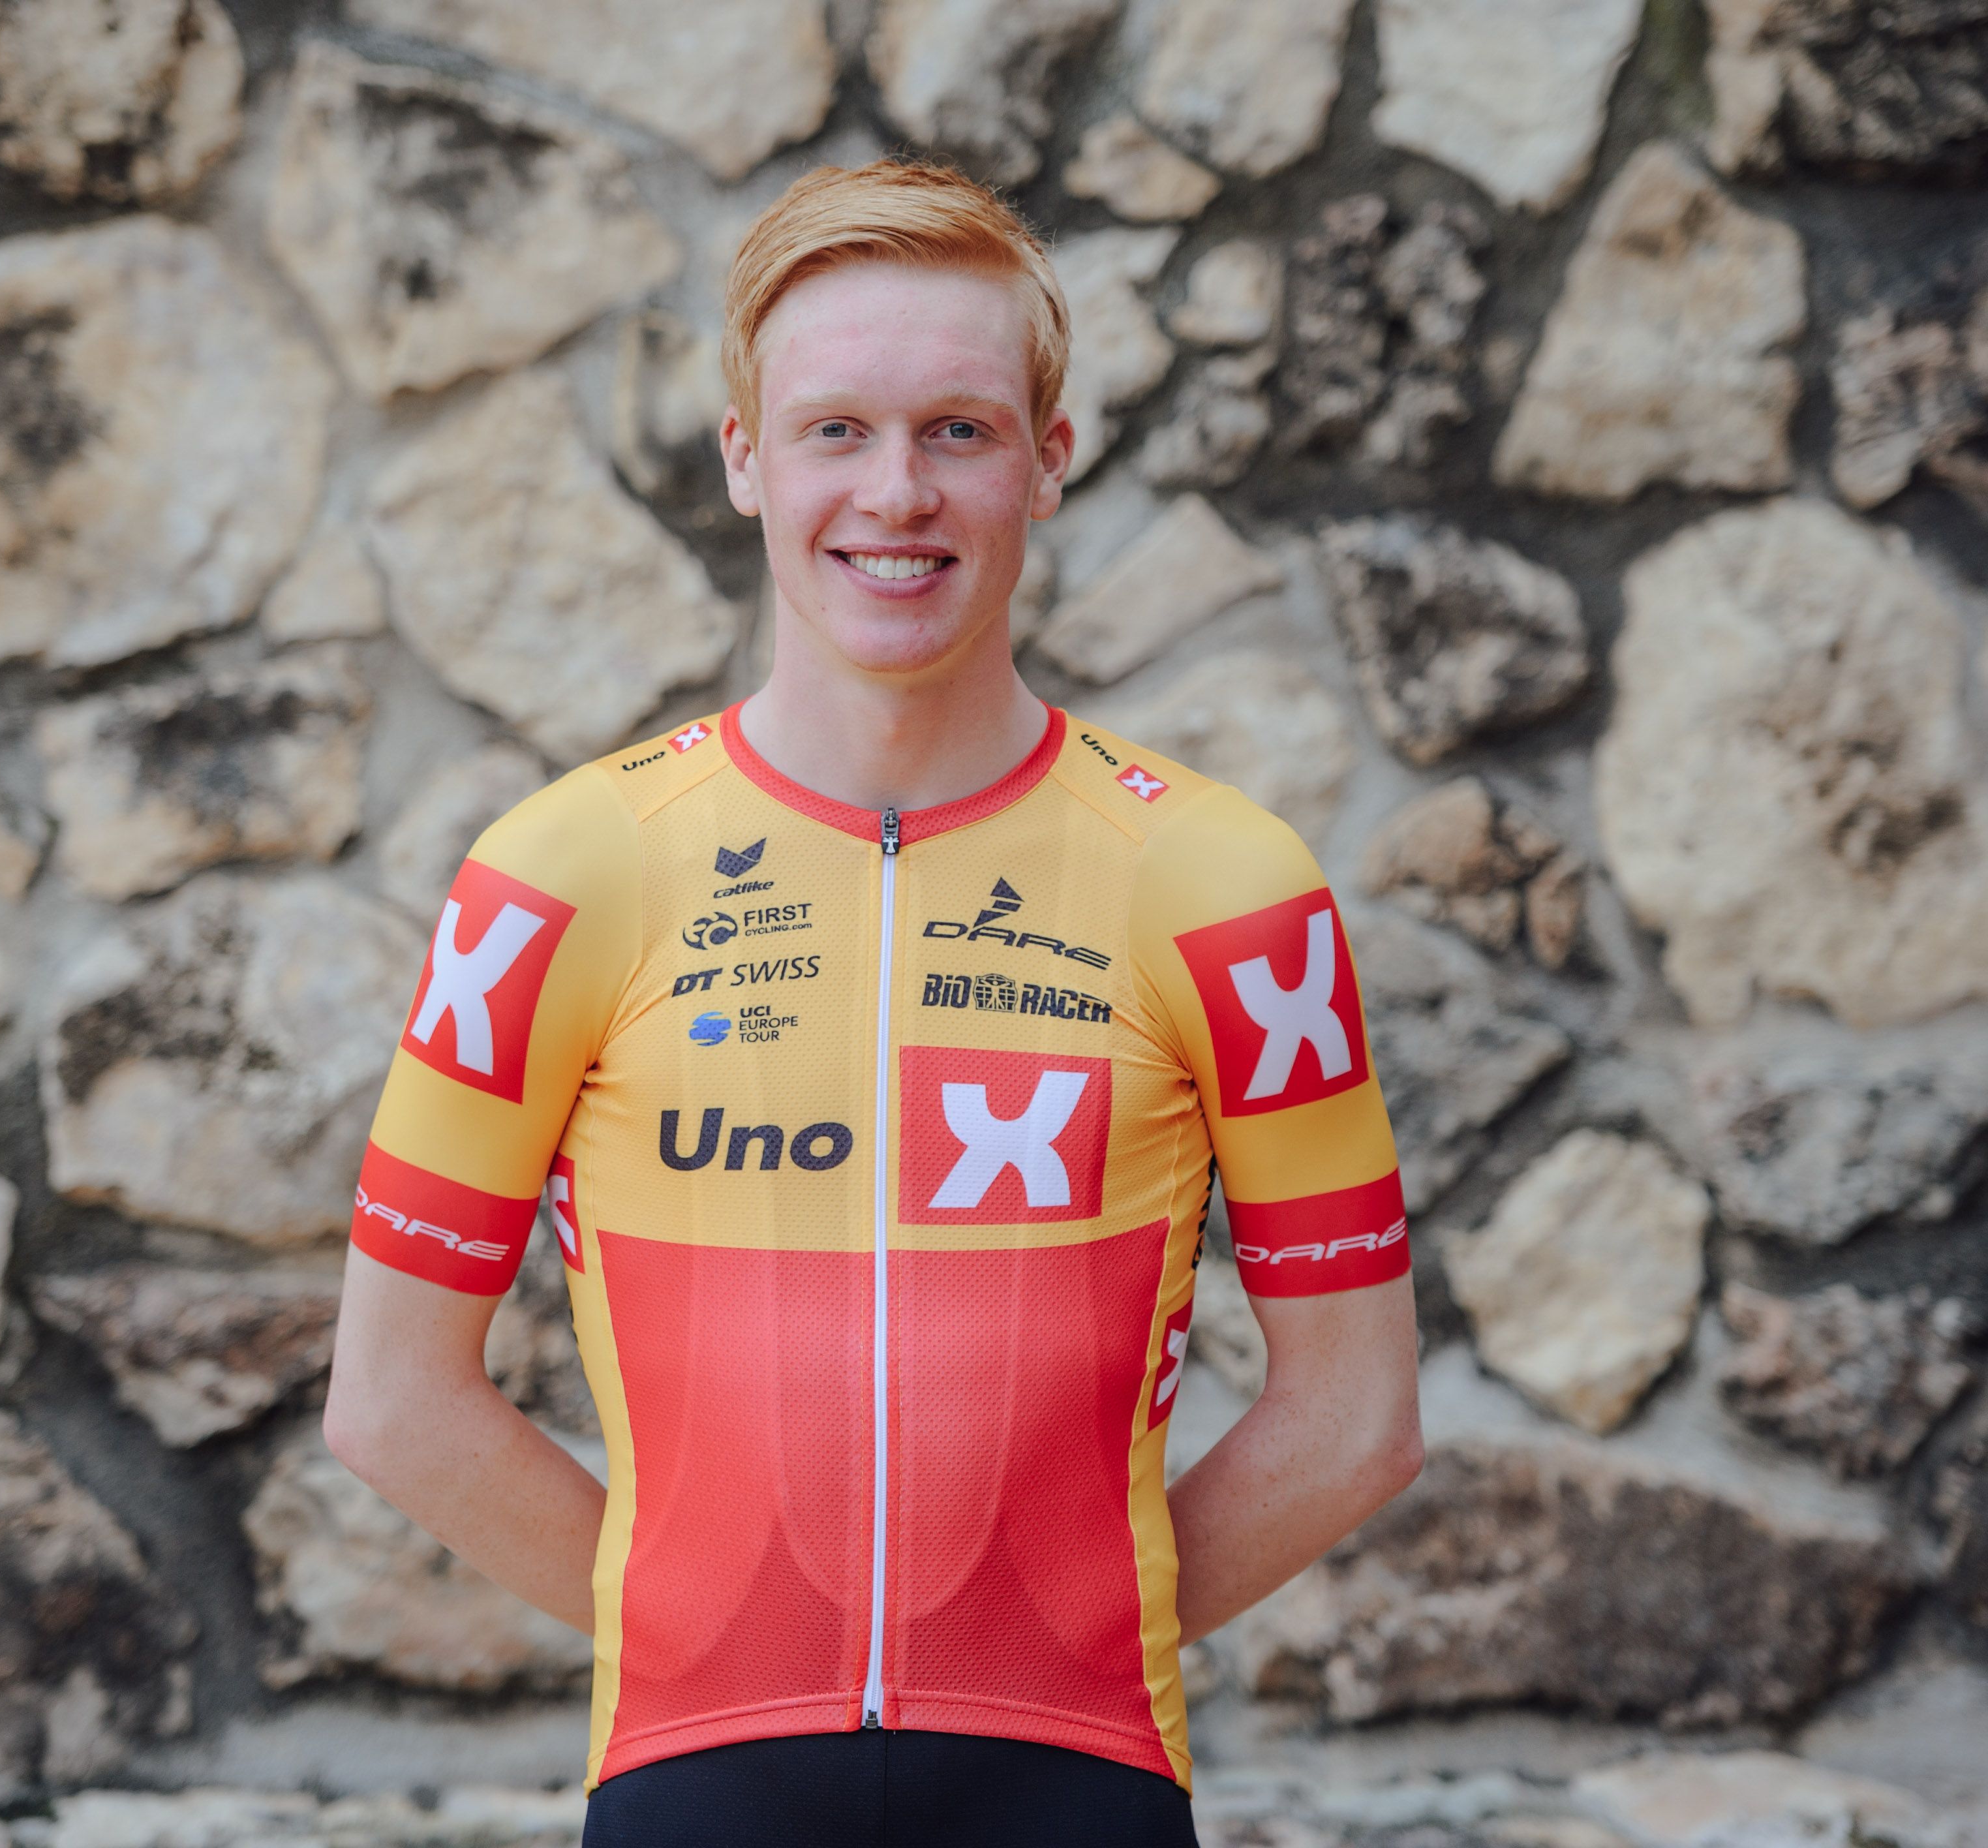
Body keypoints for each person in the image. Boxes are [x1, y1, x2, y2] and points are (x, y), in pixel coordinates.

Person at [322, 158, 1424, 1848]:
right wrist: (700, 1641)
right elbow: (393, 1400)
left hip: (1074, 1787)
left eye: (958, 432)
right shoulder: (563, 875)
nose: (895, 493)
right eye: (835, 430)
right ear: (745, 457)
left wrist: (1058, 1644)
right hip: (699, 1784)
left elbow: (1355, 1418)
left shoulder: (1223, 885)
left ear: (1049, 458)